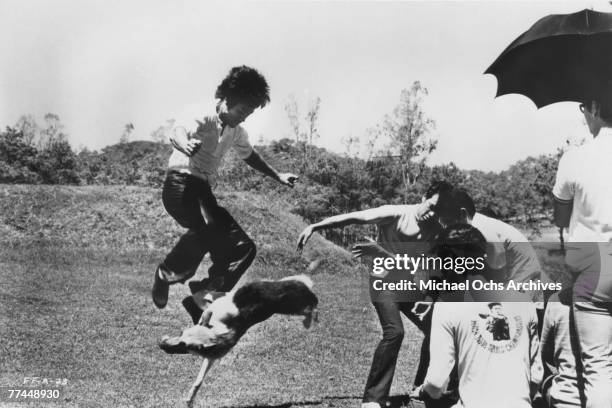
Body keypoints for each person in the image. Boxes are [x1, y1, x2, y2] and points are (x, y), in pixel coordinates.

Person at [152, 66, 299, 312]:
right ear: (225, 100)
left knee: (245, 248)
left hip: (202, 192)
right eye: (241, 111)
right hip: (179, 184)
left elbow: (250, 156)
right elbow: (177, 131)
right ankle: (165, 273)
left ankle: (204, 296)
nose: (243, 118)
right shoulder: (201, 113)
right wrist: (185, 144)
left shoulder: (236, 131)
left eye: (248, 114)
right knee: (206, 229)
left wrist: (278, 175)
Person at [296, 181, 450, 408]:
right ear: (423, 198)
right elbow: (355, 217)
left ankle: (421, 390)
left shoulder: (435, 230)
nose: (432, 213)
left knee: (436, 329)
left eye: (439, 211)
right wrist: (316, 226)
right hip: (383, 281)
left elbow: (421, 266)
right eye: (432, 206)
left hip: (406, 284)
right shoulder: (395, 214)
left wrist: (427, 294)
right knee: (394, 332)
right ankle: (372, 400)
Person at [412, 224, 542, 408]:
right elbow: (536, 375)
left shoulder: (447, 305)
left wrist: (422, 391)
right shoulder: (523, 302)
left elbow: (435, 383)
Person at [552, 99, 612, 408]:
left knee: (598, 366)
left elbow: (560, 217)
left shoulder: (575, 158)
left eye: (584, 109)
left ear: (596, 109)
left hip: (595, 263)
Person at [434, 187, 543, 302]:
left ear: (463, 214)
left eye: (449, 223)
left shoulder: (484, 232)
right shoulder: (474, 225)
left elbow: (496, 277)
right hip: (511, 282)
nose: (446, 229)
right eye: (443, 225)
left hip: (522, 284)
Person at [540, 288, 582, 408]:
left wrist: (547, 385)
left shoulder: (556, 301)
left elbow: (540, 355)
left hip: (565, 397)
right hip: (601, 396)